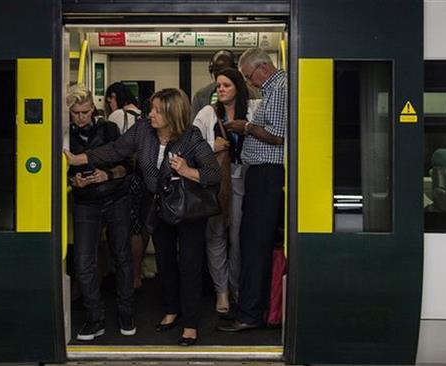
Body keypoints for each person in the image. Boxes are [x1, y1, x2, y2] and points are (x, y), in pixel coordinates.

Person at [64, 88, 220, 346]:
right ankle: (172, 310)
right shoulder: (143, 130)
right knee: (165, 262)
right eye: (152, 109)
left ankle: (190, 324)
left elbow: (212, 174)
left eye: (157, 110)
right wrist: (79, 158)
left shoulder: (191, 137)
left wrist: (186, 170)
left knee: (190, 266)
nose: (151, 114)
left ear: (172, 113)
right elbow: (115, 150)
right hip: (158, 207)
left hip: (187, 210)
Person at [217, 47, 287, 332]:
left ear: (262, 67)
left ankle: (250, 314)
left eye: (248, 76)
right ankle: (249, 309)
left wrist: (246, 128)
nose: (249, 83)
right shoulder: (272, 90)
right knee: (250, 241)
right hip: (259, 175)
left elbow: (280, 136)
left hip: (268, 175)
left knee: (255, 244)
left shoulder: (280, 88)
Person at [65, 84, 135, 341]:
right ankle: (95, 317)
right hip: (85, 201)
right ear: (69, 113)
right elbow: (64, 173)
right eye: (76, 113)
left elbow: (127, 166)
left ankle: (126, 313)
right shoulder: (63, 135)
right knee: (84, 262)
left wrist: (107, 174)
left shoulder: (109, 129)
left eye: (85, 111)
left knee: (122, 257)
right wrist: (75, 182)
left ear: (93, 109)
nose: (81, 117)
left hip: (115, 197)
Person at [192, 67, 261, 316]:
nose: (220, 89)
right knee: (216, 235)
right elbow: (191, 144)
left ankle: (237, 287)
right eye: (218, 85)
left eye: (226, 85)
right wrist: (213, 145)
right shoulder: (208, 113)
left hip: (245, 179)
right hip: (216, 182)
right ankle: (221, 291)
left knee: (239, 238)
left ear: (238, 88)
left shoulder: (253, 110)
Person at [104, 82, 151, 289]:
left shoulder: (117, 117)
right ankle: (139, 269)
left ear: (114, 97)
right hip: (145, 177)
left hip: (126, 177)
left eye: (109, 99)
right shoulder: (144, 116)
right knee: (143, 224)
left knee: (130, 227)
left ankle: (131, 275)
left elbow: (112, 149)